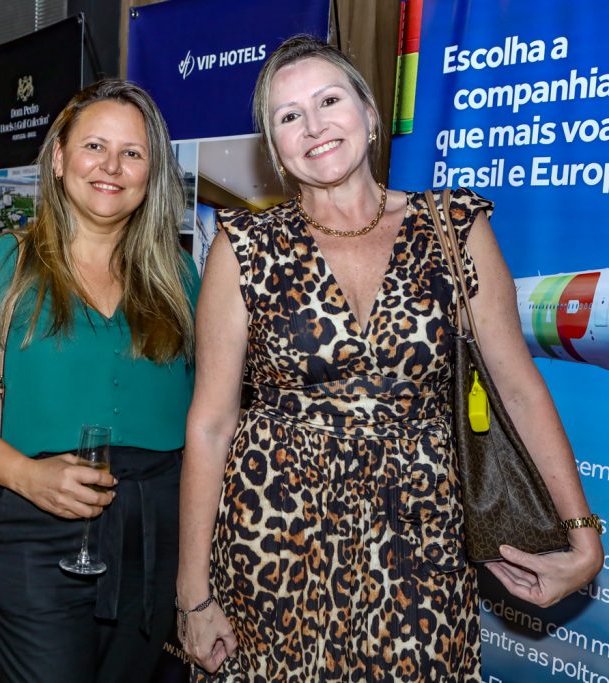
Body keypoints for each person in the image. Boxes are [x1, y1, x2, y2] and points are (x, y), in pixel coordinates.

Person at [176, 34, 603, 681]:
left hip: (419, 540)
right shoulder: (243, 245)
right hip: (274, 540)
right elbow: (210, 424)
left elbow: (517, 386)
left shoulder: (453, 226)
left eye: (329, 100)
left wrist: (580, 529)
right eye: (289, 115)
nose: (314, 125)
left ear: (371, 114)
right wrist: (193, 591)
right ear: (275, 145)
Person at [0, 78, 199, 683]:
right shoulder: (2, 263)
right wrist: (27, 475)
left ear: (153, 172)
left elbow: (215, 408)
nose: (111, 167)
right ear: (60, 157)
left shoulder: (177, 274)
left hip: (158, 536)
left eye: (133, 153)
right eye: (94, 146)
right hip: (32, 535)